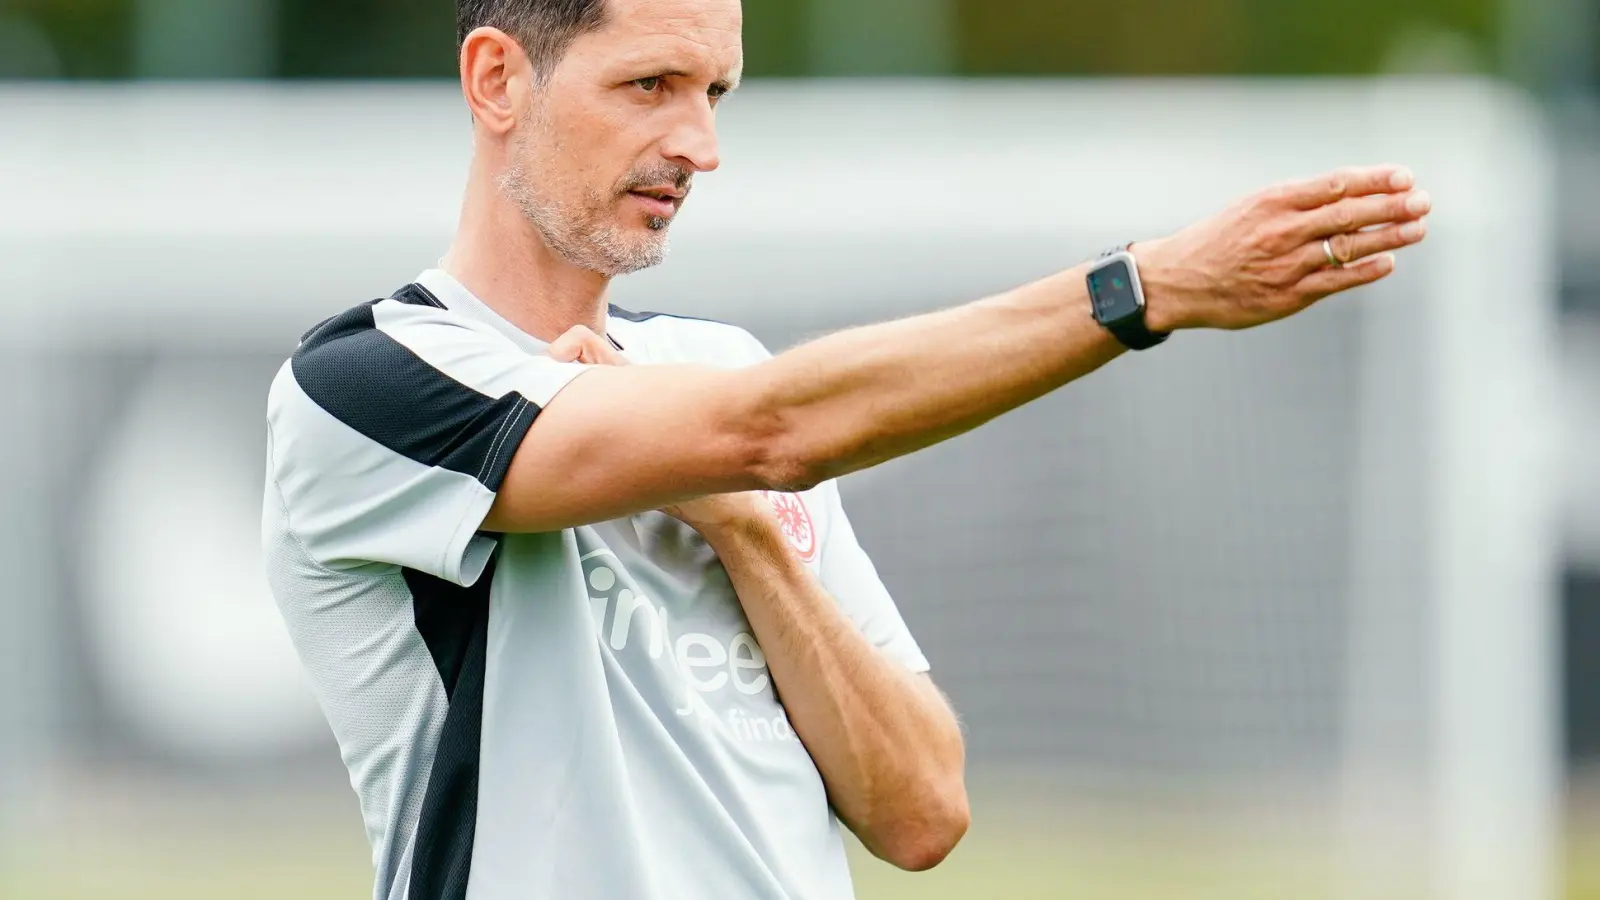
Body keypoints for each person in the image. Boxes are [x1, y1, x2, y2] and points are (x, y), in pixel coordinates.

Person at [261, 0, 1431, 898]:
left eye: (717, 90)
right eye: (651, 85)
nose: (698, 144)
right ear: (497, 78)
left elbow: (921, 807)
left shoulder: (722, 373)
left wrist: (741, 530)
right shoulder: (366, 387)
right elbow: (767, 433)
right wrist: (1144, 290)